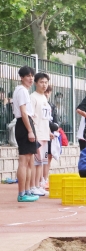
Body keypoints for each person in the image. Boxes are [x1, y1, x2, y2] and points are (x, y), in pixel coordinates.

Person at [13, 66, 39, 202]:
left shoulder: (22, 91)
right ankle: (22, 193)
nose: (31, 78)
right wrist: (29, 130)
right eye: (28, 76)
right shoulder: (22, 90)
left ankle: (27, 191)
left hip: (26, 123)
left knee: (29, 161)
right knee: (24, 161)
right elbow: (23, 112)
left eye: (32, 76)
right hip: (24, 125)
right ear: (22, 77)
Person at [30, 72, 52, 196]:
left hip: (44, 134)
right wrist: (33, 133)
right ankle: (33, 186)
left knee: (41, 162)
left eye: (46, 82)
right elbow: (31, 117)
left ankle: (38, 185)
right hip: (37, 134)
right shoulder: (33, 97)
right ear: (36, 83)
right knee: (35, 162)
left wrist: (48, 131)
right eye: (41, 82)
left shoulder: (44, 98)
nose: (44, 85)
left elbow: (46, 118)